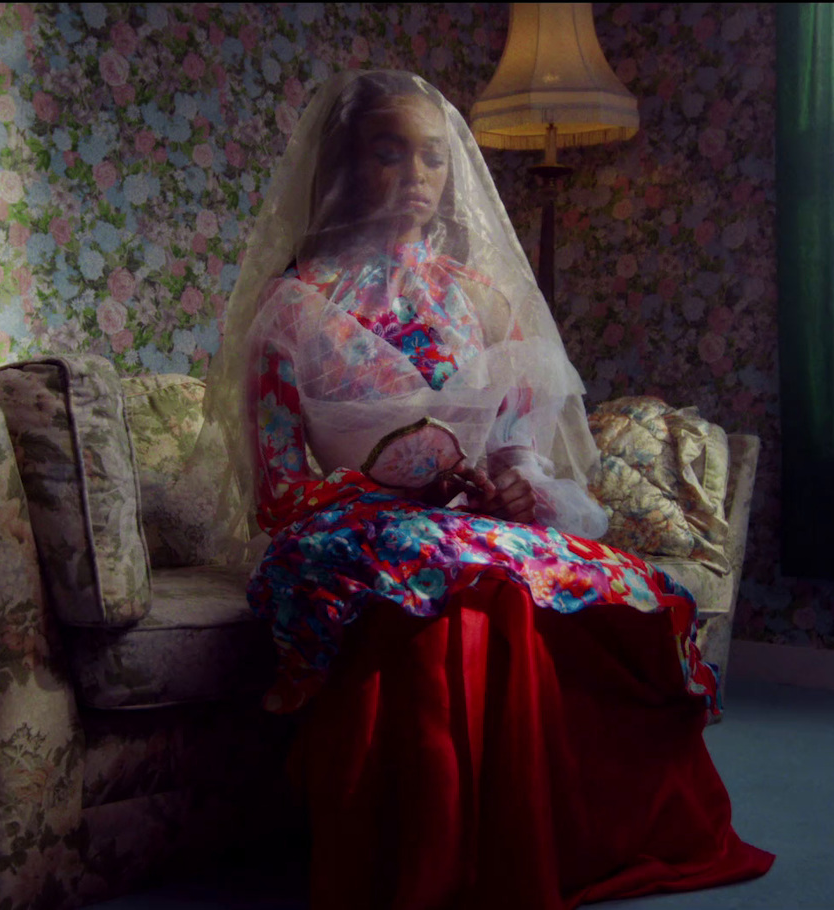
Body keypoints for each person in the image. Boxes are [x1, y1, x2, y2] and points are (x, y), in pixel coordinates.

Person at [202, 69, 775, 910]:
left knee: (594, 580)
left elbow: (517, 448)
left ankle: (579, 841)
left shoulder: (479, 301)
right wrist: (392, 492)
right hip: (352, 528)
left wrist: (516, 489)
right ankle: (447, 865)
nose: (416, 178)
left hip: (471, 524)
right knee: (447, 586)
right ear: (340, 167)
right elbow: (281, 489)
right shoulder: (291, 308)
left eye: (433, 158)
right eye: (388, 154)